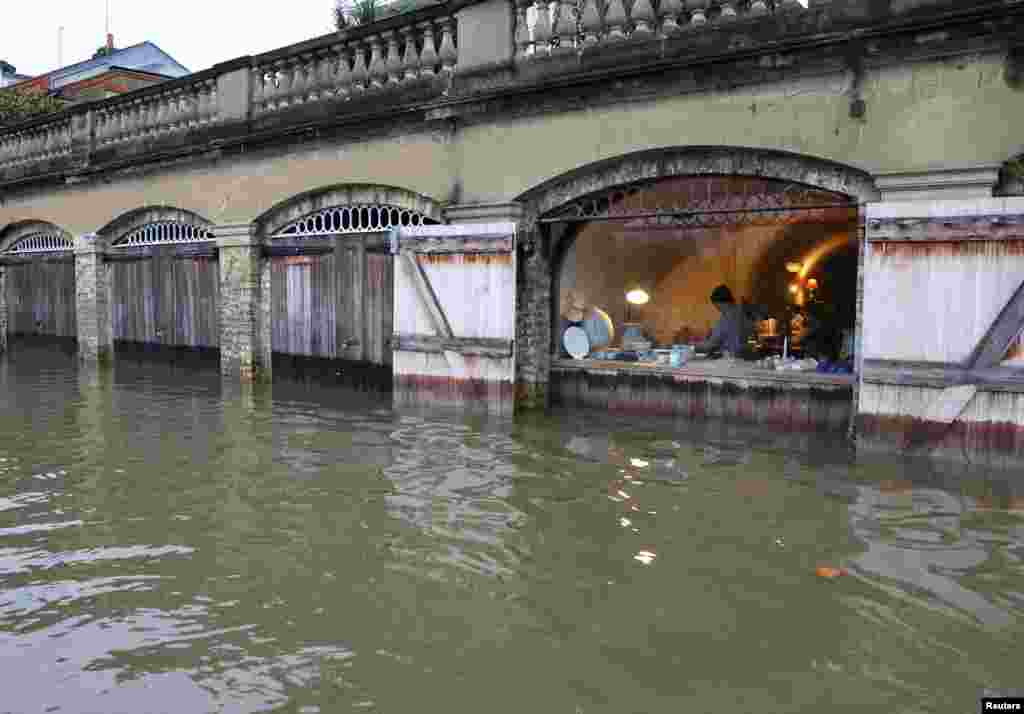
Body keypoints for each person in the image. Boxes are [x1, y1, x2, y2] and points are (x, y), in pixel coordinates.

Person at [696, 284, 754, 358]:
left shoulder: (726, 317)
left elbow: (711, 345)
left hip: (729, 360)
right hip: (744, 358)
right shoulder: (742, 313)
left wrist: (692, 348)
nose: (717, 308)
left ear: (720, 302)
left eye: (716, 305)